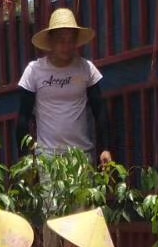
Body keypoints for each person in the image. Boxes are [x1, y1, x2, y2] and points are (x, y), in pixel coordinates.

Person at [17, 8, 111, 166]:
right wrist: (25, 156)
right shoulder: (34, 71)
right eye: (61, 40)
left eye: (70, 40)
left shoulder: (87, 68)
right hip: (48, 158)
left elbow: (100, 111)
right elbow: (23, 117)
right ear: (51, 42)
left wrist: (105, 148)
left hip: (81, 155)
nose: (66, 46)